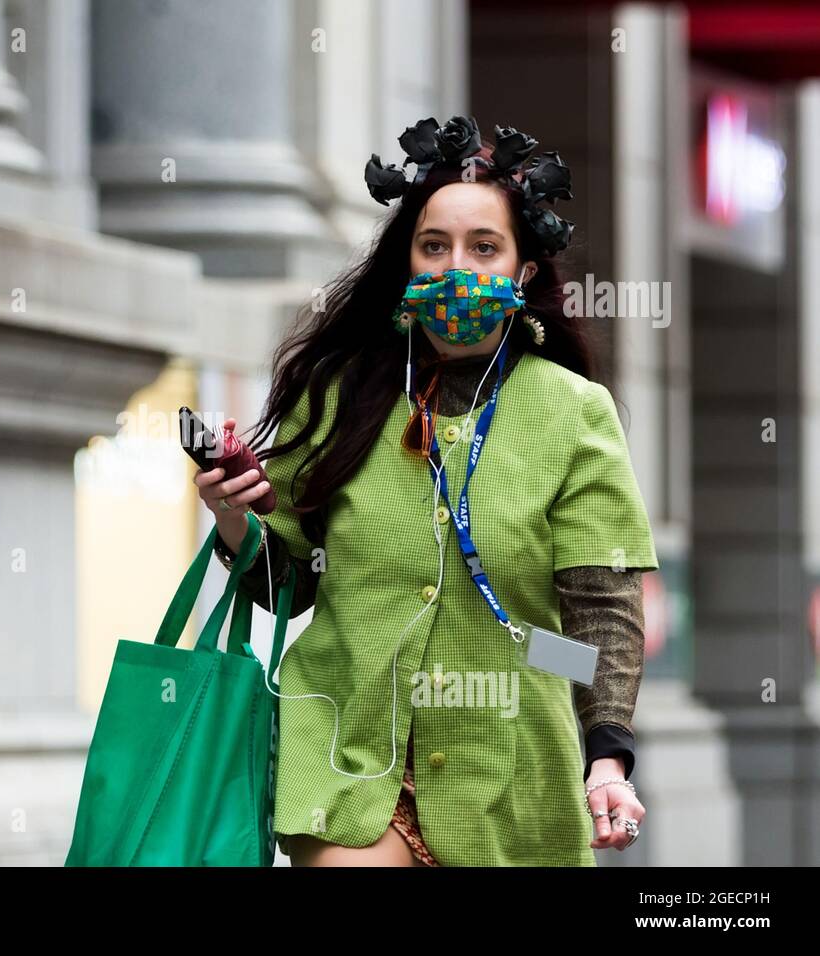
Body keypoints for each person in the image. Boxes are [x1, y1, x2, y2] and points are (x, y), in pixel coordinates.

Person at [194, 117, 656, 866]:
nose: (455, 267)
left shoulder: (575, 414)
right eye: (434, 246)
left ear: (523, 271)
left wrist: (607, 754)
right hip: (346, 753)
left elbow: (598, 607)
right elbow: (286, 581)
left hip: (509, 772)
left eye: (483, 248)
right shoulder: (341, 392)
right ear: (407, 263)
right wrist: (231, 515)